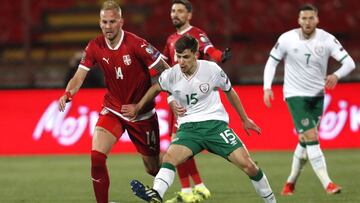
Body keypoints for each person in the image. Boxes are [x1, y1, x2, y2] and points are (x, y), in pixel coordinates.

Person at [121, 35, 276, 203]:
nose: (181, 61)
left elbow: (230, 91)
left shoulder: (212, 70)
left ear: (196, 55)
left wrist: (244, 119)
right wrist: (138, 107)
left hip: (215, 127)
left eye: (186, 57)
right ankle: (156, 194)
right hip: (189, 129)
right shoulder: (171, 74)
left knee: (249, 166)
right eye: (178, 57)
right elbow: (157, 87)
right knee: (169, 158)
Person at [58, 1, 170, 203]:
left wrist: (142, 104)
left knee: (153, 168)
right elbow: (78, 76)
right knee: (97, 156)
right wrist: (68, 94)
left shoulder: (137, 44)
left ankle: (163, 184)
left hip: (142, 114)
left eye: (112, 21)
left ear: (121, 22)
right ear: (99, 22)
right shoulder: (94, 46)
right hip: (113, 109)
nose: (108, 26)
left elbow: (167, 72)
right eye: (104, 22)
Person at [263, 3, 355, 196]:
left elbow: (349, 63)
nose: (307, 21)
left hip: (317, 96)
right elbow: (272, 62)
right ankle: (328, 184)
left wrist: (336, 75)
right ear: (298, 20)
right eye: (304, 18)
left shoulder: (326, 39)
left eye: (311, 18)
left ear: (317, 19)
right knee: (312, 137)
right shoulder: (287, 39)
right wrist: (267, 87)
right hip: (295, 95)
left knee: (305, 141)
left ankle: (289, 183)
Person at [162, 1, 231, 202]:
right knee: (178, 145)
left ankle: (190, 190)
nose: (175, 14)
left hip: (194, 100)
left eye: (180, 11)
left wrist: (220, 56)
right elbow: (165, 66)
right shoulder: (171, 39)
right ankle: (195, 189)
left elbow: (210, 50)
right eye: (173, 10)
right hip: (177, 97)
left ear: (189, 15)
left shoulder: (196, 34)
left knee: (179, 144)